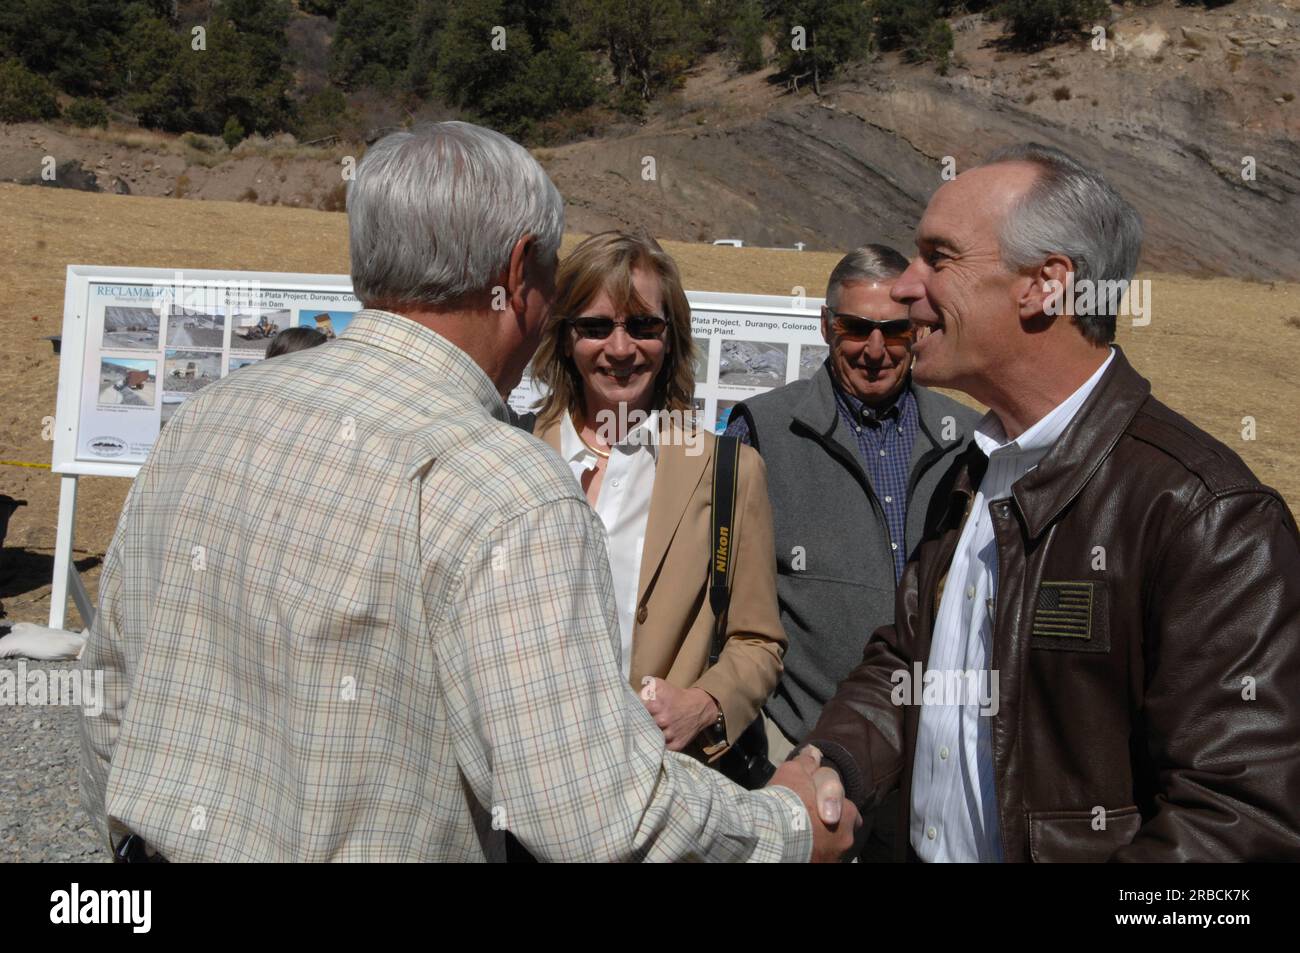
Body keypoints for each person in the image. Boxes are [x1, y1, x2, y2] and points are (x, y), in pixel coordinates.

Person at [78, 120, 857, 862]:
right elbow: (595, 817)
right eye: (566, 294)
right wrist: (784, 829)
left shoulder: (208, 417)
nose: (616, 347)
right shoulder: (507, 481)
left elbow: (109, 691)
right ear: (520, 275)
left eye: (643, 327)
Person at [800, 143, 1300, 861]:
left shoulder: (1209, 516)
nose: (905, 287)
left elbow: (1242, 824)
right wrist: (826, 767)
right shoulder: (970, 472)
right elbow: (905, 663)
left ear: (1045, 285)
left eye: (938, 259)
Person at [724, 245, 978, 853]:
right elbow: (725, 600)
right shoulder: (759, 430)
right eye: (855, 328)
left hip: (925, 757)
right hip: (797, 754)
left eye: (894, 330)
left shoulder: (966, 439)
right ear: (825, 326)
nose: (874, 348)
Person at [527, 230, 784, 782]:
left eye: (643, 326)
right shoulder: (514, 453)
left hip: (662, 783)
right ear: (566, 338)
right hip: (527, 782)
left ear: (671, 338)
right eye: (596, 327)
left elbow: (758, 641)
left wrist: (707, 704)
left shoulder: (729, 471)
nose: (621, 349)